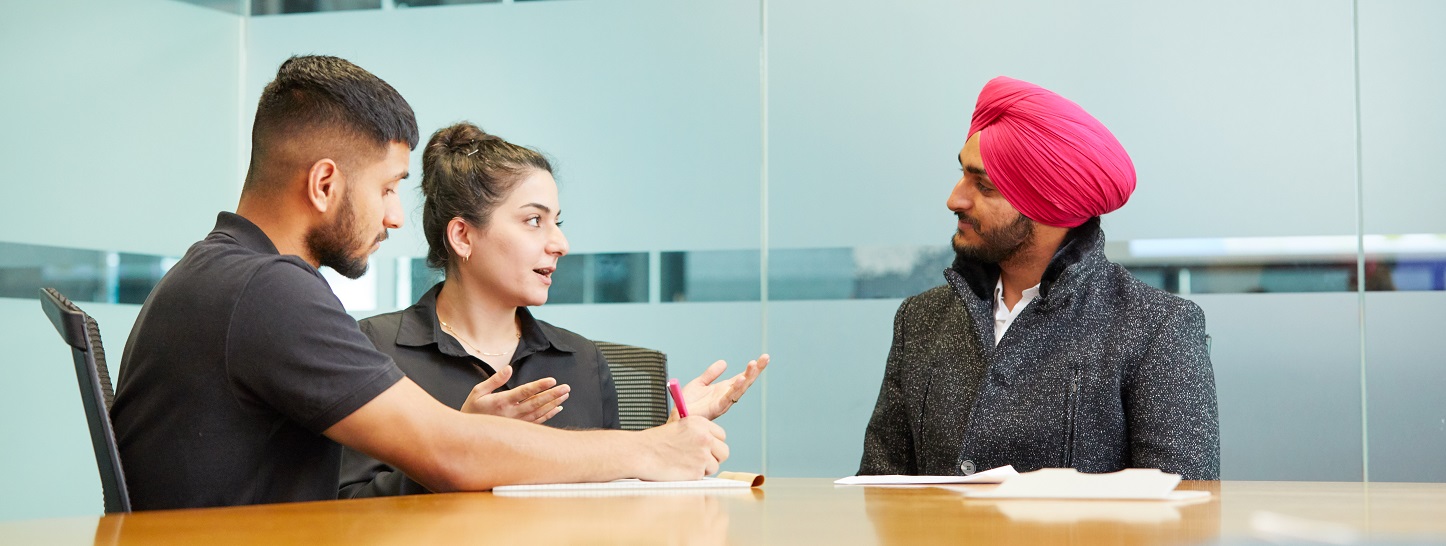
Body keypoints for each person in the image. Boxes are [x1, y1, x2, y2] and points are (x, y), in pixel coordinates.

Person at [110, 55, 728, 511]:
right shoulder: (266, 288)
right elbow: (449, 451)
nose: (397, 215)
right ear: (324, 184)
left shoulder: (218, 272)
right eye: (385, 188)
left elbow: (445, 447)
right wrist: (652, 451)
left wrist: (468, 433)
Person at [339, 122, 768, 498]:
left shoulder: (580, 360)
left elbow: (614, 507)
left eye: (556, 222)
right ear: (463, 236)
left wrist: (668, 437)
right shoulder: (372, 349)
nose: (560, 244)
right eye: (533, 221)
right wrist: (457, 442)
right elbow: (346, 510)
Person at [858, 76, 1219, 480]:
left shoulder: (1157, 328)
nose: (955, 198)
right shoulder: (920, 319)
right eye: (962, 174)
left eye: (984, 186)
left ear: (1047, 204)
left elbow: (1185, 513)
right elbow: (880, 491)